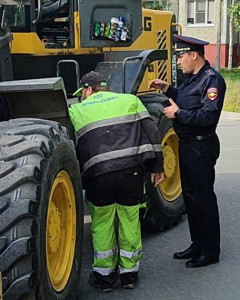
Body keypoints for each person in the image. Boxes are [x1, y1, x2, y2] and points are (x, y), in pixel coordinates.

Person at [69, 71, 164, 291]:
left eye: (82, 93)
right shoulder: (131, 100)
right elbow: (151, 132)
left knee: (102, 224)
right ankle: (129, 275)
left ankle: (104, 277)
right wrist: (157, 167)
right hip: (130, 174)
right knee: (130, 220)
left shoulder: (76, 110)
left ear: (88, 90)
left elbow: (73, 146)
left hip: (98, 176)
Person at [149, 34, 226, 268]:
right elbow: (186, 99)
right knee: (191, 198)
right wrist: (169, 90)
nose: (178, 61)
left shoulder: (212, 80)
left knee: (203, 199)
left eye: (181, 56)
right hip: (187, 145)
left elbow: (209, 116)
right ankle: (197, 244)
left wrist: (179, 115)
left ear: (194, 55)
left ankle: (210, 251)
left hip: (201, 146)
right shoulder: (192, 78)